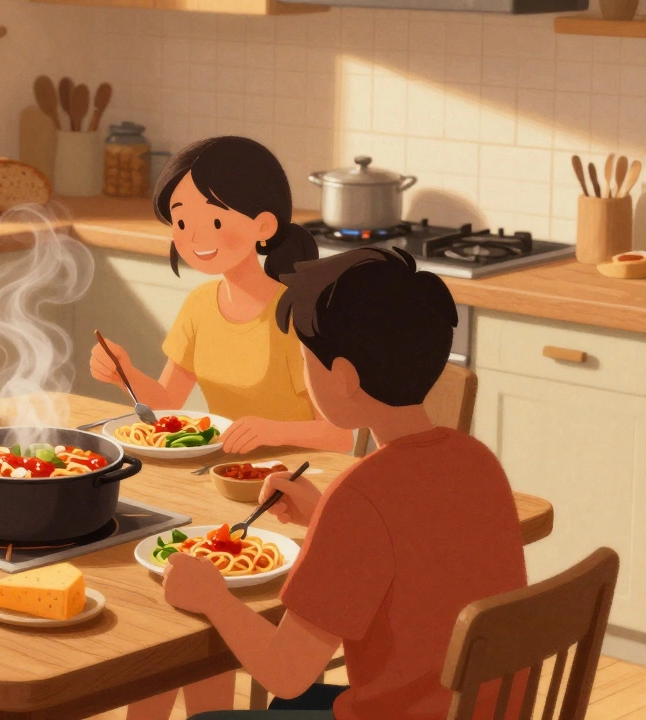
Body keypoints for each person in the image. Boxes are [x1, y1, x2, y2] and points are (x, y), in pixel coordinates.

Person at [159, 247, 529, 720]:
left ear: (344, 378)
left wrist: (212, 597)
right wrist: (322, 517)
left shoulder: (361, 494)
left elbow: (286, 672)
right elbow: (421, 548)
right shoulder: (477, 462)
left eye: (305, 359)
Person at [90, 136, 351, 456]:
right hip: (223, 468)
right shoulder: (200, 305)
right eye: (182, 221)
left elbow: (340, 437)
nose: (195, 237)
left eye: (214, 220)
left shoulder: (296, 313)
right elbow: (167, 405)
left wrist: (272, 432)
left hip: (298, 474)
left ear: (264, 225)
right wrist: (124, 373)